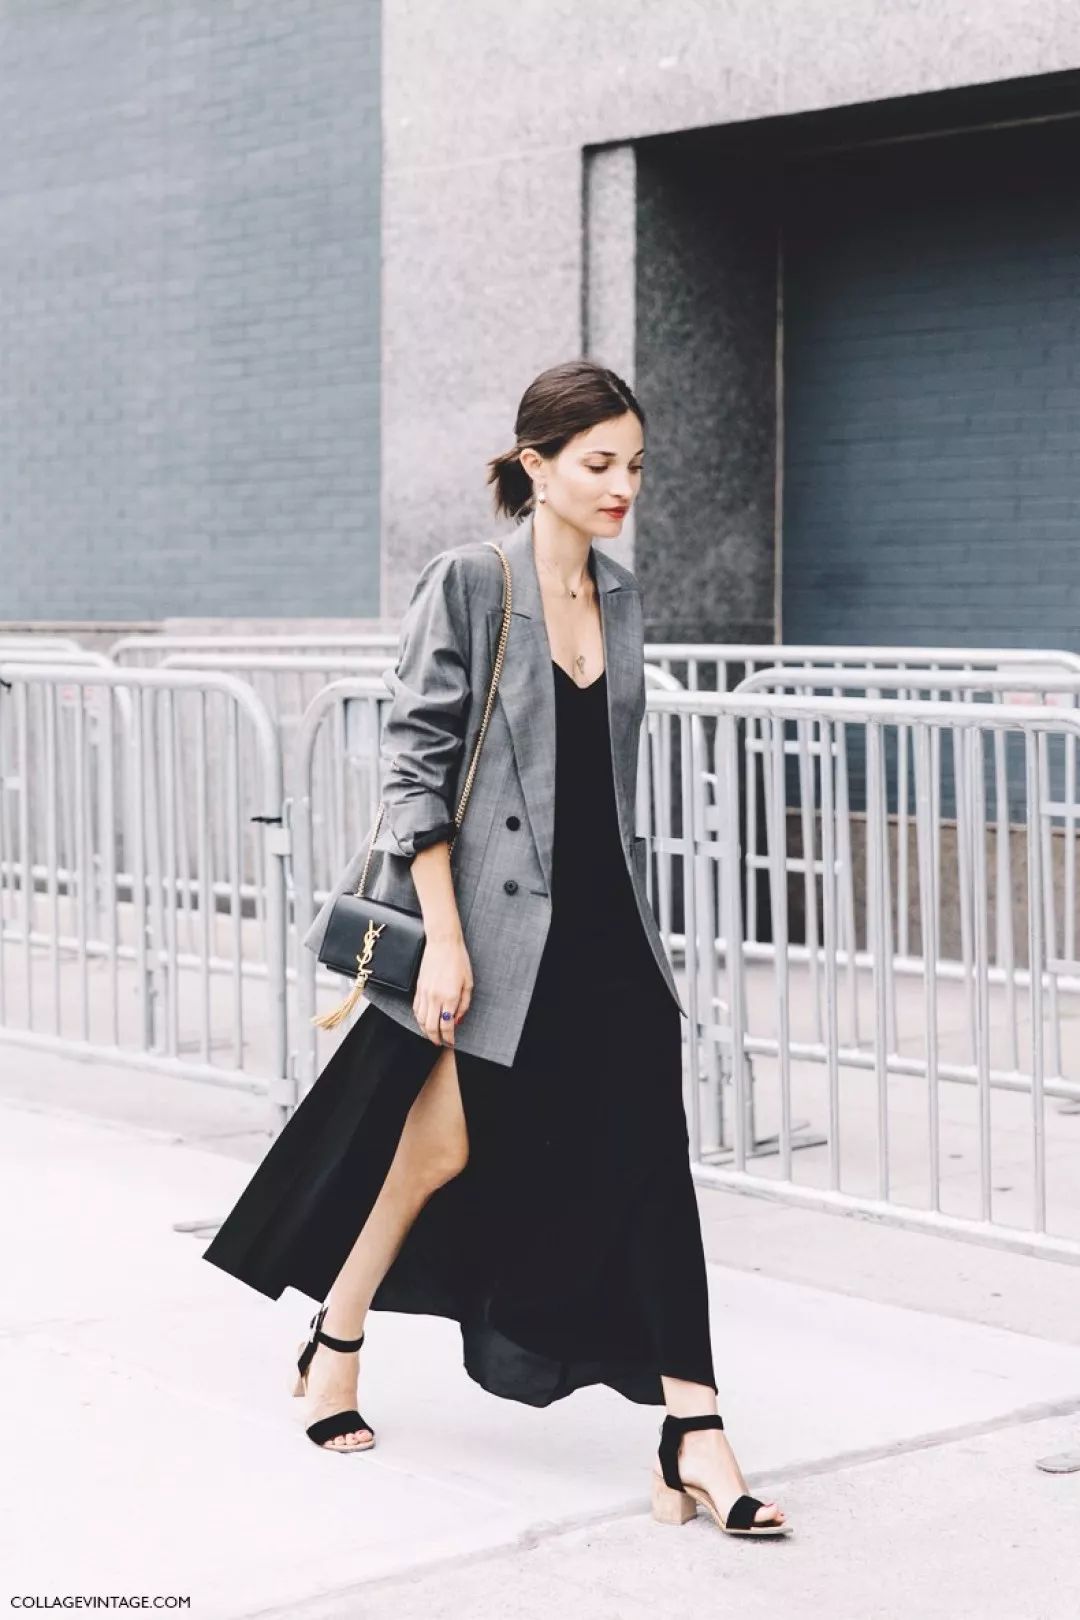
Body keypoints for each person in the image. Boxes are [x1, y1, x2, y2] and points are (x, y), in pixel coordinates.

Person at [202, 359, 790, 1538]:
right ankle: (337, 1333)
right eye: (599, 463)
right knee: (436, 1148)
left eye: (636, 465)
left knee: (653, 1155)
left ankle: (695, 1428)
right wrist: (445, 941)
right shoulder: (474, 582)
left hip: (610, 931)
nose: (624, 486)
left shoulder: (621, 597)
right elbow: (415, 765)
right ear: (537, 465)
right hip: (492, 929)